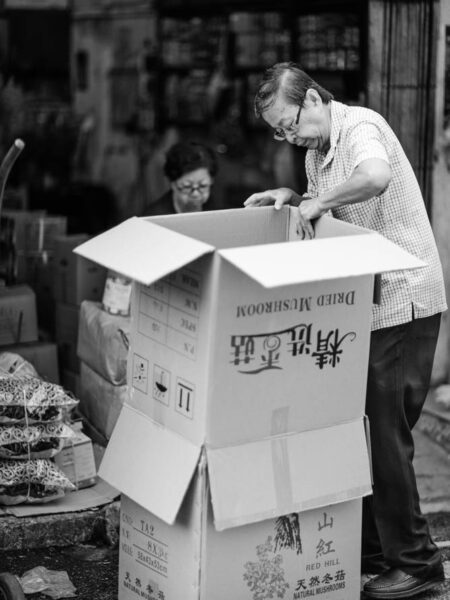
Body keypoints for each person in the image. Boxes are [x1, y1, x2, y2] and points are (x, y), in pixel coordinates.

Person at [244, 62, 447, 599]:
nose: (288, 137)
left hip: (403, 299)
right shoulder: (317, 152)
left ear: (313, 98)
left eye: (290, 124)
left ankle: (420, 565)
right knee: (360, 427)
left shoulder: (360, 127)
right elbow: (334, 210)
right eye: (279, 132)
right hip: (367, 305)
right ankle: (378, 550)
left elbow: (375, 177)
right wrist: (294, 195)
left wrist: (317, 201)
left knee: (387, 435)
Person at [143, 141, 218, 215]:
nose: (195, 194)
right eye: (187, 186)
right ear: (173, 184)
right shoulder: (155, 216)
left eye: (203, 186)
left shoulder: (217, 209)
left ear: (211, 181)